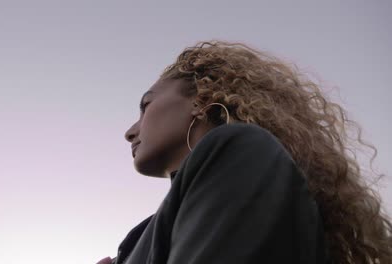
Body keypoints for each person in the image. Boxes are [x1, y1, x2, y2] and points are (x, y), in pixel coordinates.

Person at [97, 41, 392, 264]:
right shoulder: (154, 229)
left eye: (146, 105)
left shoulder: (240, 148)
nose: (130, 131)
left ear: (202, 100)